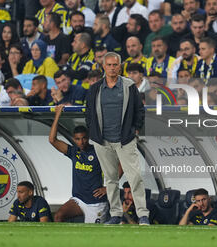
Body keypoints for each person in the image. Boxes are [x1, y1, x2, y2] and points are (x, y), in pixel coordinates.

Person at [85, 52, 150, 225]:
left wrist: (135, 130)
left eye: (115, 65)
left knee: (134, 177)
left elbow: (139, 110)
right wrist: (93, 133)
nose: (112, 68)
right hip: (102, 141)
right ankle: (115, 214)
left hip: (125, 140)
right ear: (103, 67)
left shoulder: (129, 86)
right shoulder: (95, 88)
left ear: (120, 67)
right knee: (110, 179)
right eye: (109, 65)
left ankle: (143, 214)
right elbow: (89, 113)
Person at [49, 105, 108, 223]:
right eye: (77, 139)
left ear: (88, 137)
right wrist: (57, 115)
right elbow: (52, 140)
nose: (81, 142)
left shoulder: (98, 151)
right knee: (58, 216)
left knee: (93, 236)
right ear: (74, 139)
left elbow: (120, 163)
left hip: (96, 202)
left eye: (84, 138)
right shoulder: (73, 151)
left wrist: (108, 187)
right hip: (79, 200)